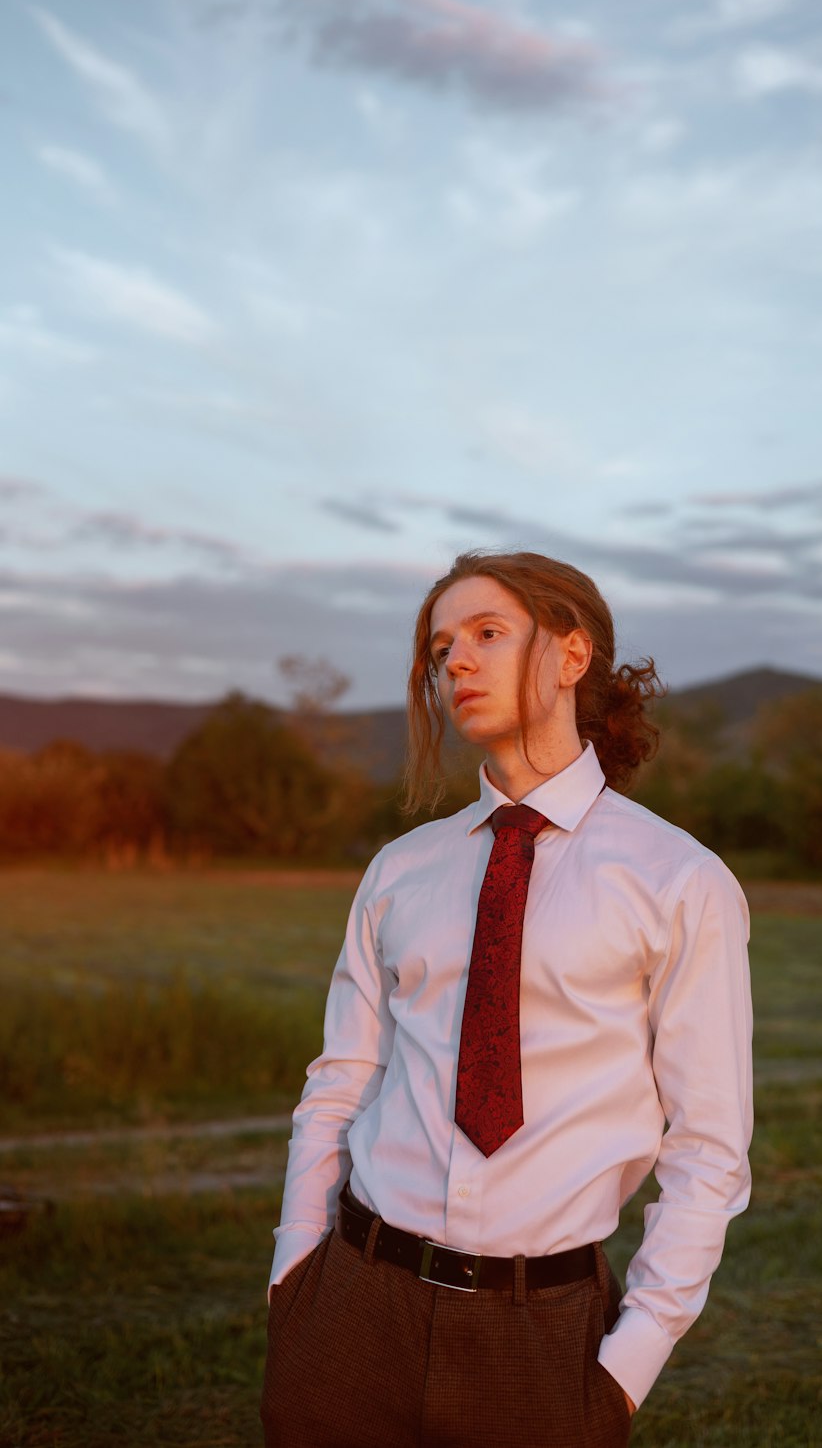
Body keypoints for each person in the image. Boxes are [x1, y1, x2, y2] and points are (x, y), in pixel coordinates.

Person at [261, 549, 752, 1448]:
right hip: (352, 1308)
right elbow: (340, 1078)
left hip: (544, 1335)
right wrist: (295, 1272)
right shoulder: (400, 870)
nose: (454, 661)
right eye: (441, 646)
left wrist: (627, 1365)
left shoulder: (679, 879)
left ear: (571, 657)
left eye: (487, 633)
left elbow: (710, 1147)